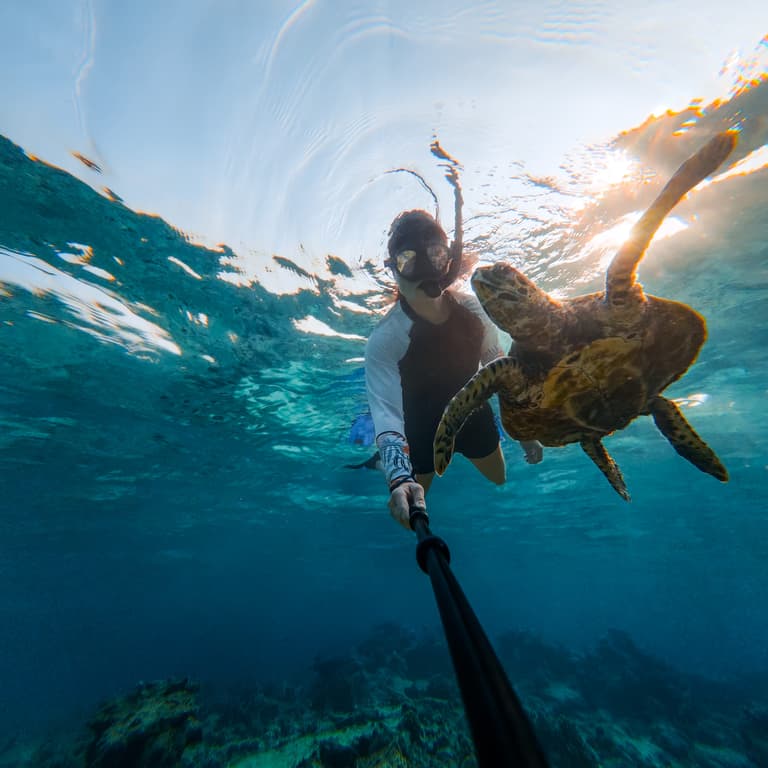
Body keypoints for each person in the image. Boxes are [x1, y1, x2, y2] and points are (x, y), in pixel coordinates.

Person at [365, 209, 542, 530]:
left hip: (473, 418)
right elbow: (386, 415)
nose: (422, 271)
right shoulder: (385, 338)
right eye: (407, 260)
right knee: (411, 516)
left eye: (434, 255)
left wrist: (525, 431)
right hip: (419, 431)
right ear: (393, 270)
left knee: (500, 479)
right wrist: (398, 477)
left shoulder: (475, 308)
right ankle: (382, 463)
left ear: (448, 260)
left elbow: (496, 365)